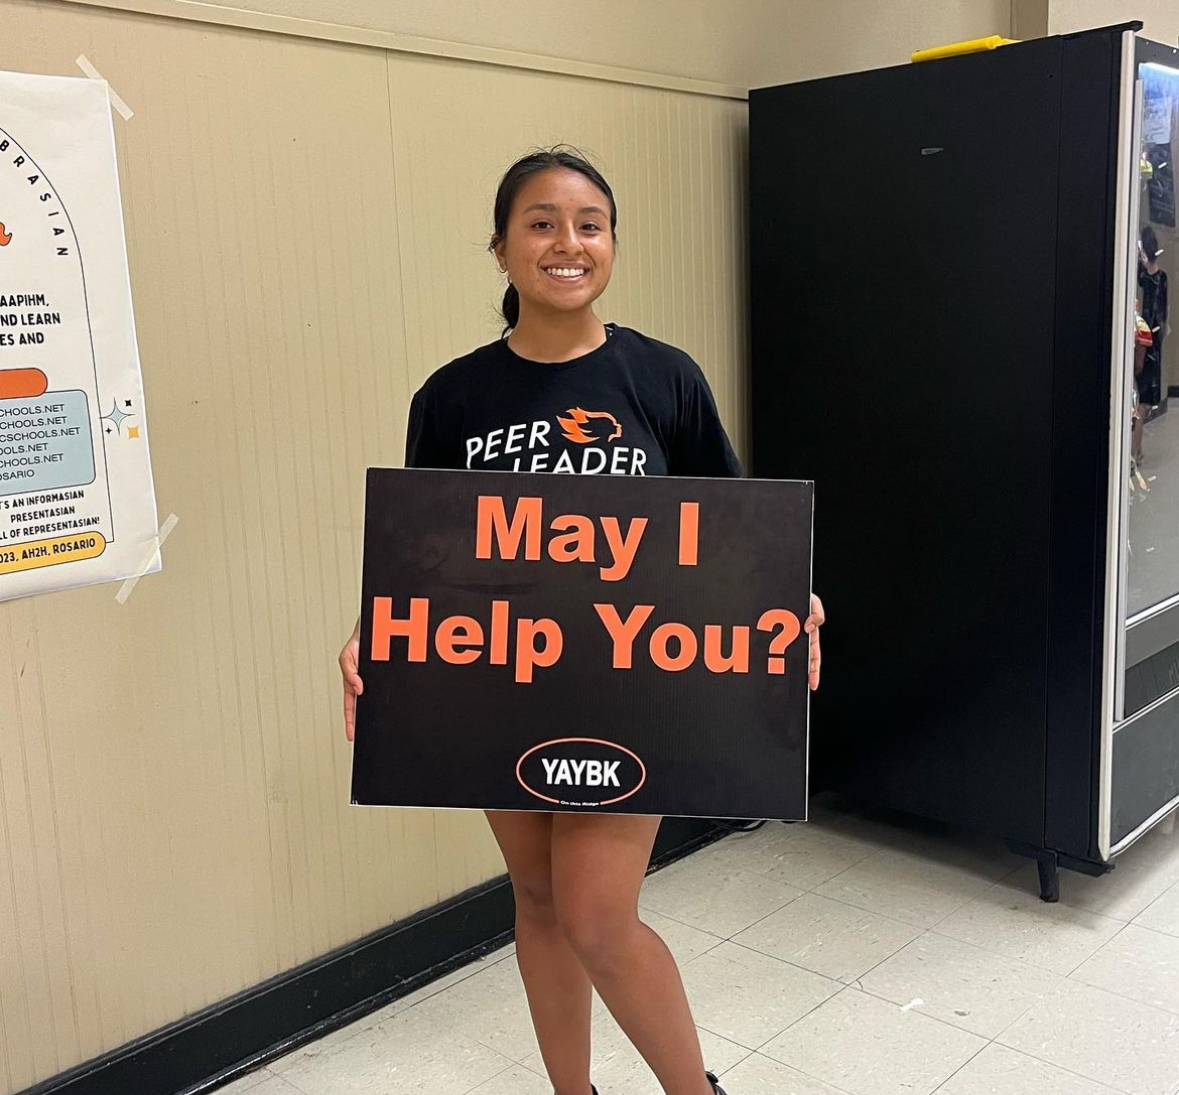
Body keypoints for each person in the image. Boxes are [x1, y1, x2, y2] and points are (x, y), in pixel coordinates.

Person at [339, 147, 825, 1095]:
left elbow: (729, 533)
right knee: (537, 899)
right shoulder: (450, 398)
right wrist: (373, 634)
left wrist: (787, 601)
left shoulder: (662, 379)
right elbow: (424, 555)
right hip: (497, 683)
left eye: (589, 223)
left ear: (611, 243)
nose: (568, 242)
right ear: (500, 246)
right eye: (541, 222)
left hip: (633, 687)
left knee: (598, 914)